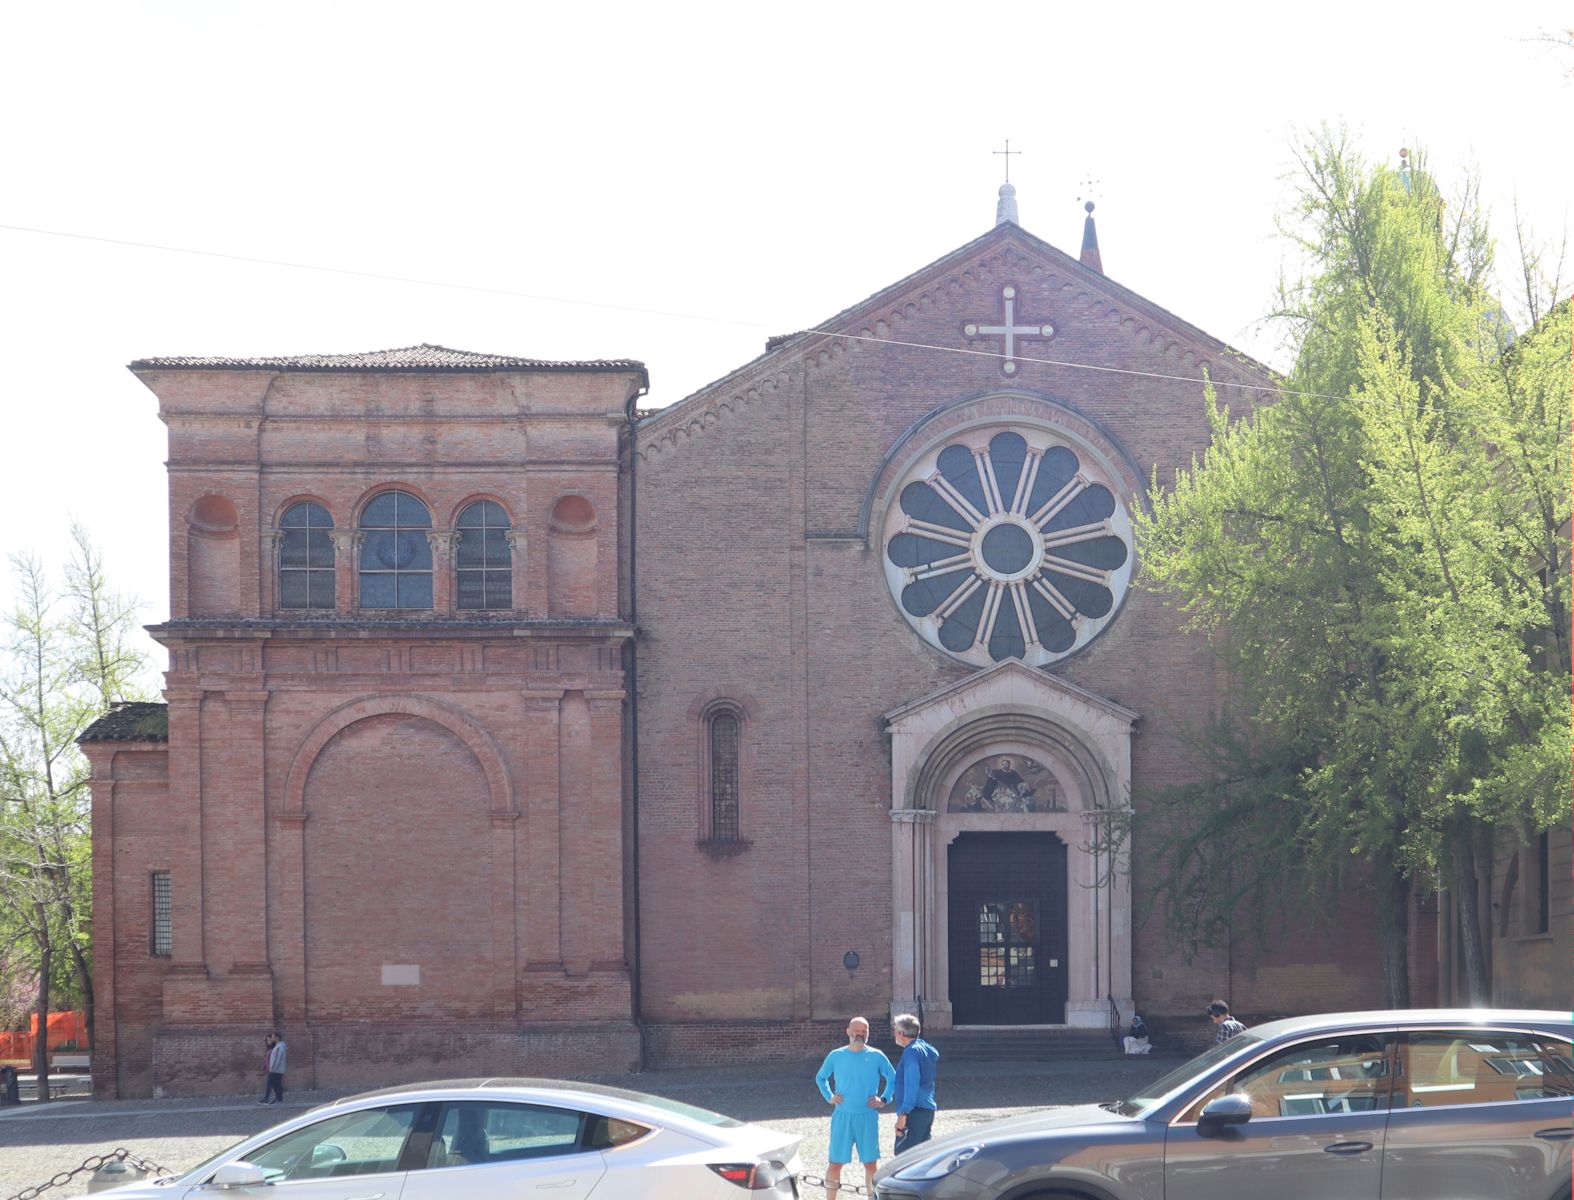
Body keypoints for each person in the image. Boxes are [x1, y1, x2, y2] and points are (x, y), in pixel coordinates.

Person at [814, 1016, 895, 1199]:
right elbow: (821, 1078)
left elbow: (893, 1078)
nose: (859, 1034)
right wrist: (829, 1096)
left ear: (868, 1033)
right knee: (835, 1163)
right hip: (842, 1116)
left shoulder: (876, 1056)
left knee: (871, 1165)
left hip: (867, 1117)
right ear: (848, 1032)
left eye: (863, 1031)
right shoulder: (836, 1055)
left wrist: (884, 1099)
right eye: (856, 1031)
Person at [890, 1013, 939, 1156]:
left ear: (901, 1033)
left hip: (914, 1111)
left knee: (905, 1158)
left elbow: (912, 1083)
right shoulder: (923, 1048)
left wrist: (903, 1114)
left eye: (895, 1030)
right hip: (926, 1109)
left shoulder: (911, 1052)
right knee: (923, 1157)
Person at [260, 1032, 287, 1103]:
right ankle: (279, 1099)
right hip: (277, 1069)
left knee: (271, 1083)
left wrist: (272, 1069)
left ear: (276, 1038)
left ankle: (270, 1099)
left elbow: (277, 1059)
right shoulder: (278, 1046)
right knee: (276, 1084)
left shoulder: (279, 1047)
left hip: (275, 1070)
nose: (272, 1039)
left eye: (272, 1037)